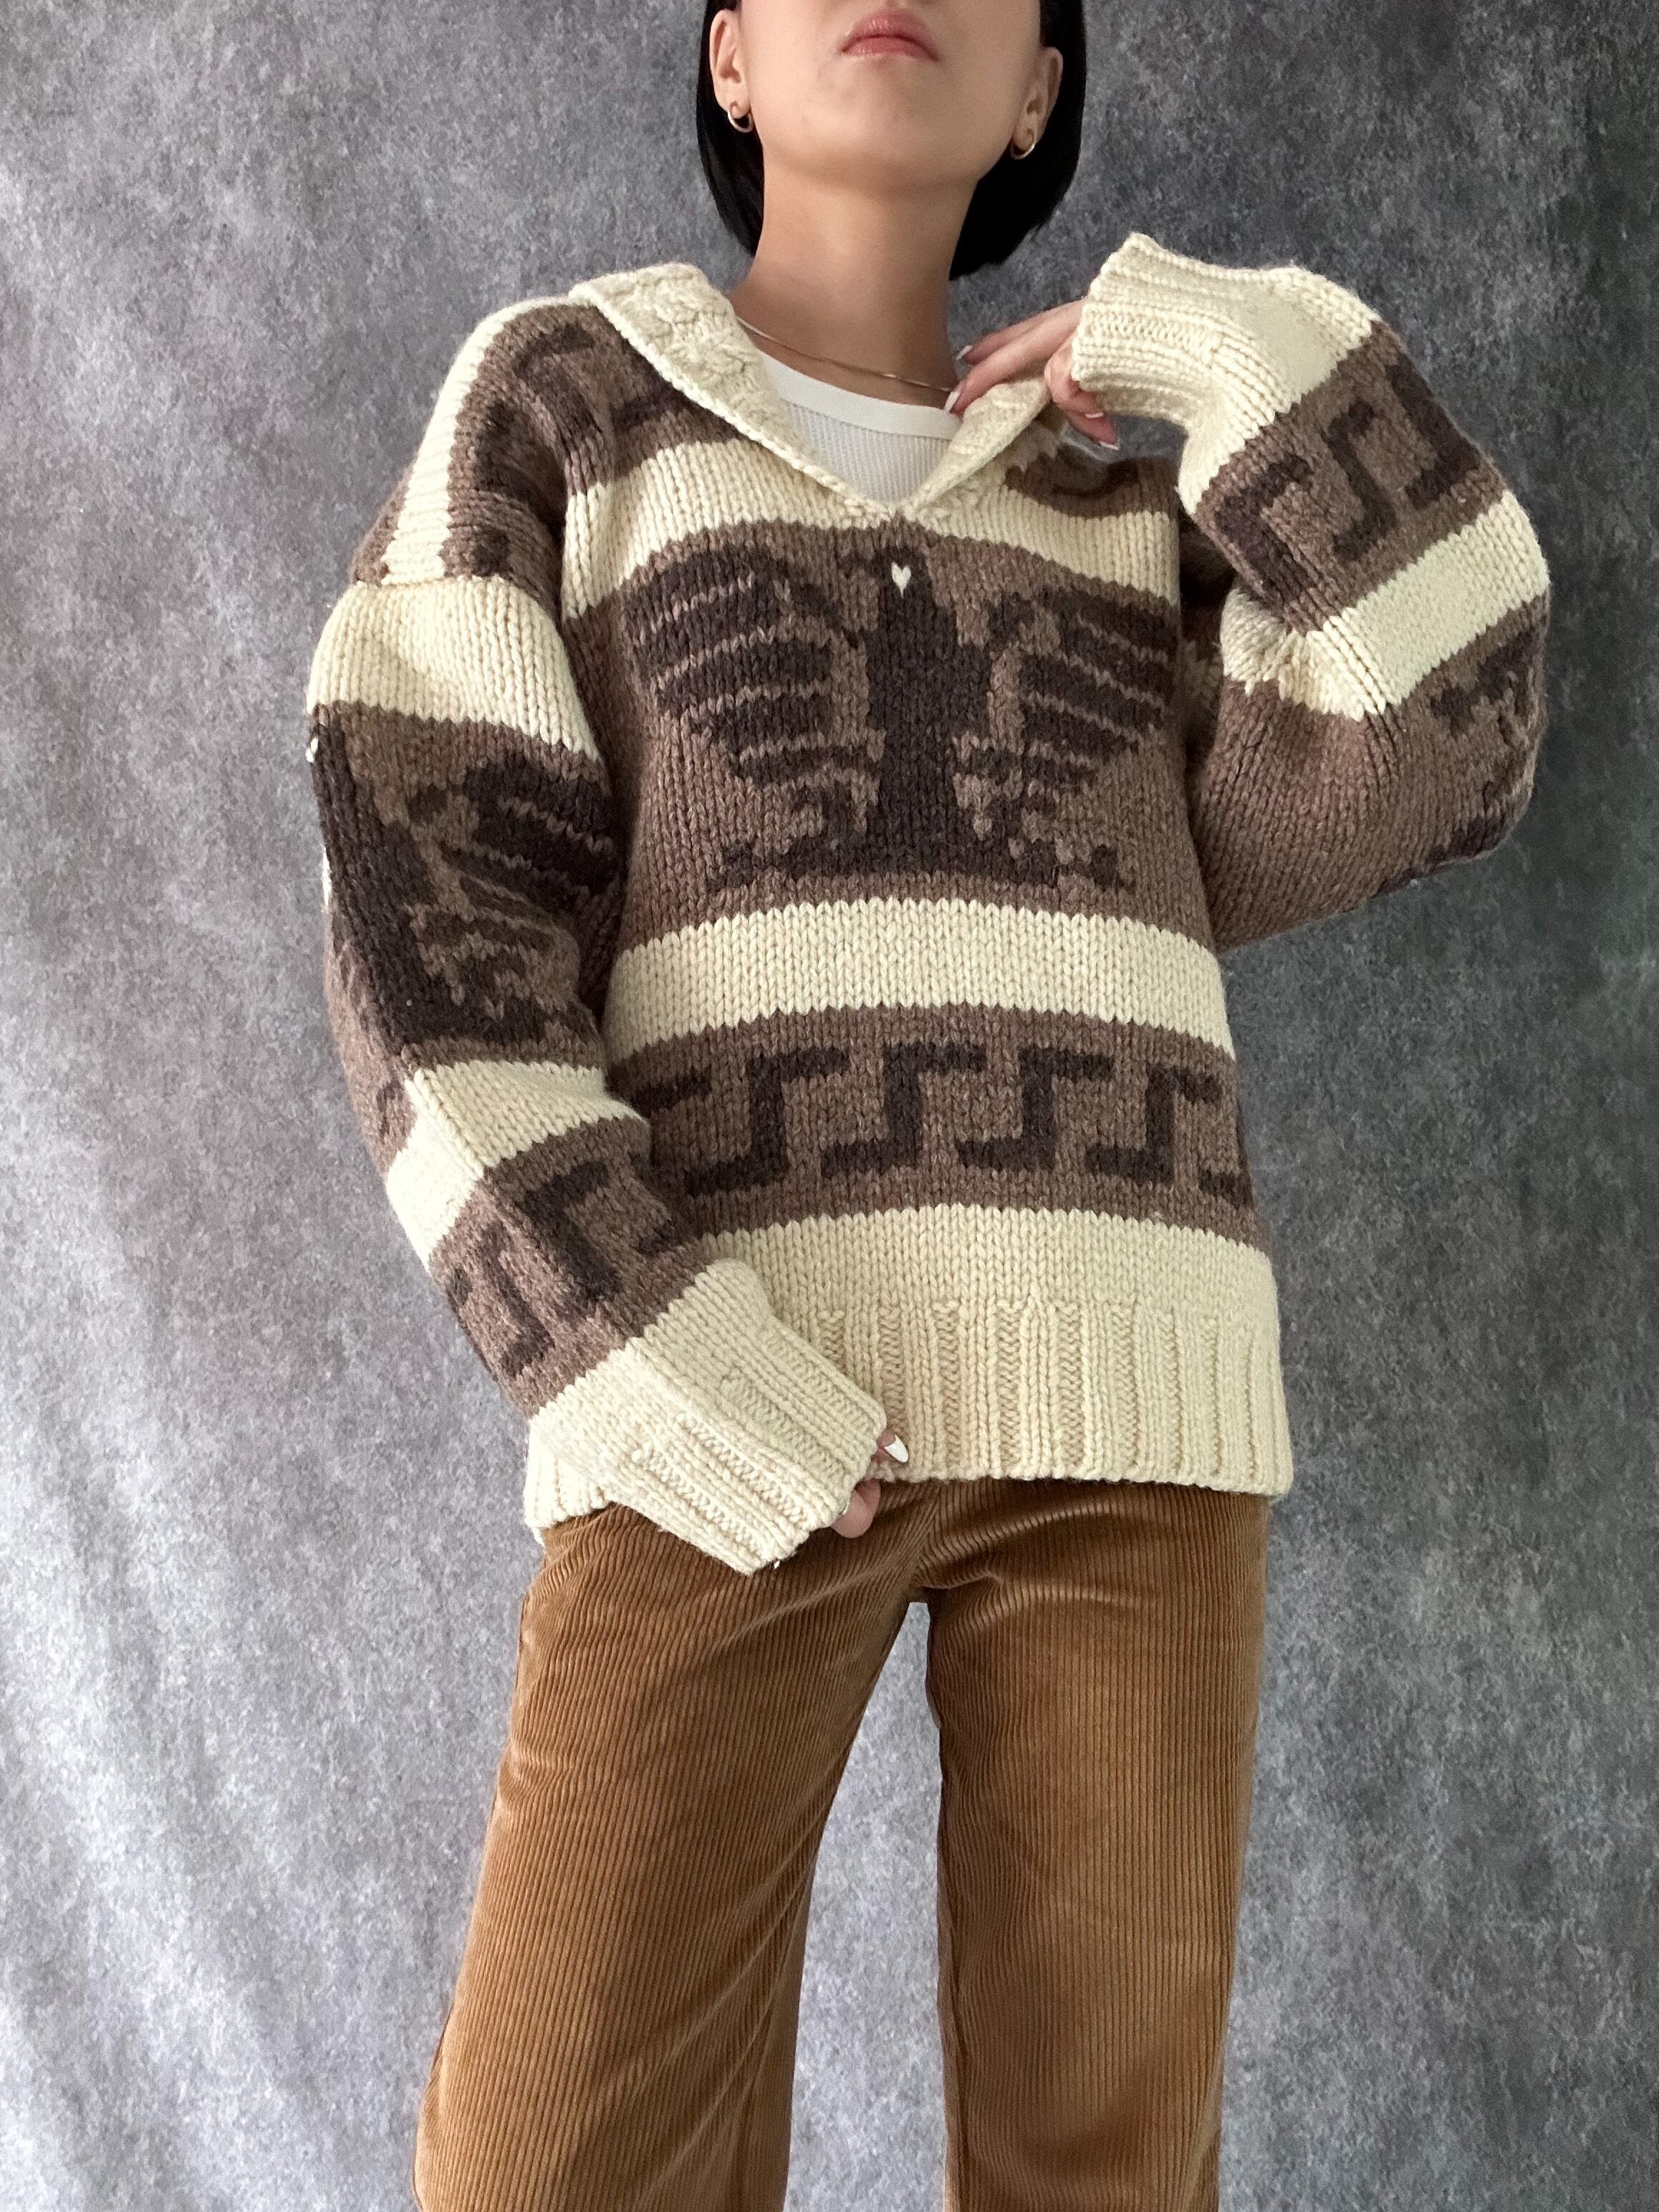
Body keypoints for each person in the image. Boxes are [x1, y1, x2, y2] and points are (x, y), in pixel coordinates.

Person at [302, 4, 1551, 2206]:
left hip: (1133, 1416)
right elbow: (427, 926)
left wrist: (1212, 343)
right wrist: (640, 1354)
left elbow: (1452, 729)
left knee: (1103, 2174)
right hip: (720, 1389)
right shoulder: (568, 404)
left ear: (1039, 89)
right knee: (546, 2163)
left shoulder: (1129, 494)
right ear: (727, 57)